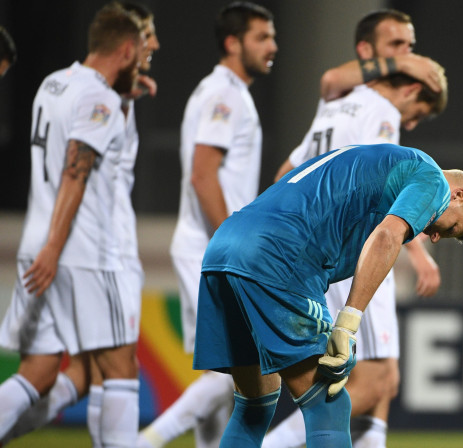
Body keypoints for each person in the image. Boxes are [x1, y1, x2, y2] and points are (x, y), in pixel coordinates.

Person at [193, 143, 463, 448]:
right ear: (458, 195)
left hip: (224, 249)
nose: (435, 237)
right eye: (450, 227)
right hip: (278, 257)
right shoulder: (433, 180)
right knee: (329, 404)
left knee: (254, 405)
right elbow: (387, 235)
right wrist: (347, 323)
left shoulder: (376, 160)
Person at [264, 60, 447, 447]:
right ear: (412, 90)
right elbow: (390, 190)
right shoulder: (380, 112)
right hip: (354, 252)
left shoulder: (335, 106)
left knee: (385, 382)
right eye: (419, 114)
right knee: (374, 381)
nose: (411, 124)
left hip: (316, 248)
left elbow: (287, 171)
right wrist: (419, 255)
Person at [0, 3, 159, 445]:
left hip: (39, 242)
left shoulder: (54, 83)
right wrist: (57, 246)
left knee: (41, 369)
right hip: (79, 250)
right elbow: (76, 170)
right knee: (119, 368)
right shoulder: (100, 97)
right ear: (127, 50)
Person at [137, 3, 277, 448]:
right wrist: (232, 242)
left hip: (210, 244)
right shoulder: (224, 95)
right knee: (246, 367)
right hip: (215, 246)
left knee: (228, 368)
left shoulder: (225, 92)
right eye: (262, 37)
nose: (273, 46)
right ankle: (145, 441)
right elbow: (202, 174)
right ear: (233, 42)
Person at [318, 9, 442, 102]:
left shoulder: (401, 98)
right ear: (365, 50)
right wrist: (401, 63)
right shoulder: (346, 90)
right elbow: (331, 80)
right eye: (396, 44)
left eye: (410, 46)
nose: (407, 54)